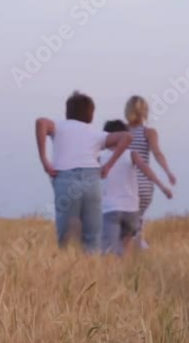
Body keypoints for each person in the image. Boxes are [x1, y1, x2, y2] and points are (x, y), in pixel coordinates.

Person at [35, 91, 132, 253]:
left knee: (66, 239)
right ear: (91, 115)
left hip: (65, 179)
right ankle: (91, 274)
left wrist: (44, 160)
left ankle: (68, 273)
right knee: (92, 238)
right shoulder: (96, 134)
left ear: (67, 112)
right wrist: (108, 165)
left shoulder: (59, 127)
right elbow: (127, 137)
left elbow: (40, 122)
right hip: (92, 181)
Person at [99, 120, 173, 256]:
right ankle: (125, 273)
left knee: (108, 252)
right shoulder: (132, 154)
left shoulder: (100, 158)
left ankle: (112, 274)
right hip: (131, 211)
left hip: (110, 210)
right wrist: (162, 187)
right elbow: (146, 170)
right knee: (125, 250)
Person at [124, 96, 177, 248]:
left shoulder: (121, 131)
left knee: (125, 224)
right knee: (137, 221)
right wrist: (168, 172)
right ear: (145, 112)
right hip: (146, 185)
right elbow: (157, 153)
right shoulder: (149, 132)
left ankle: (131, 252)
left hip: (126, 183)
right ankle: (139, 250)